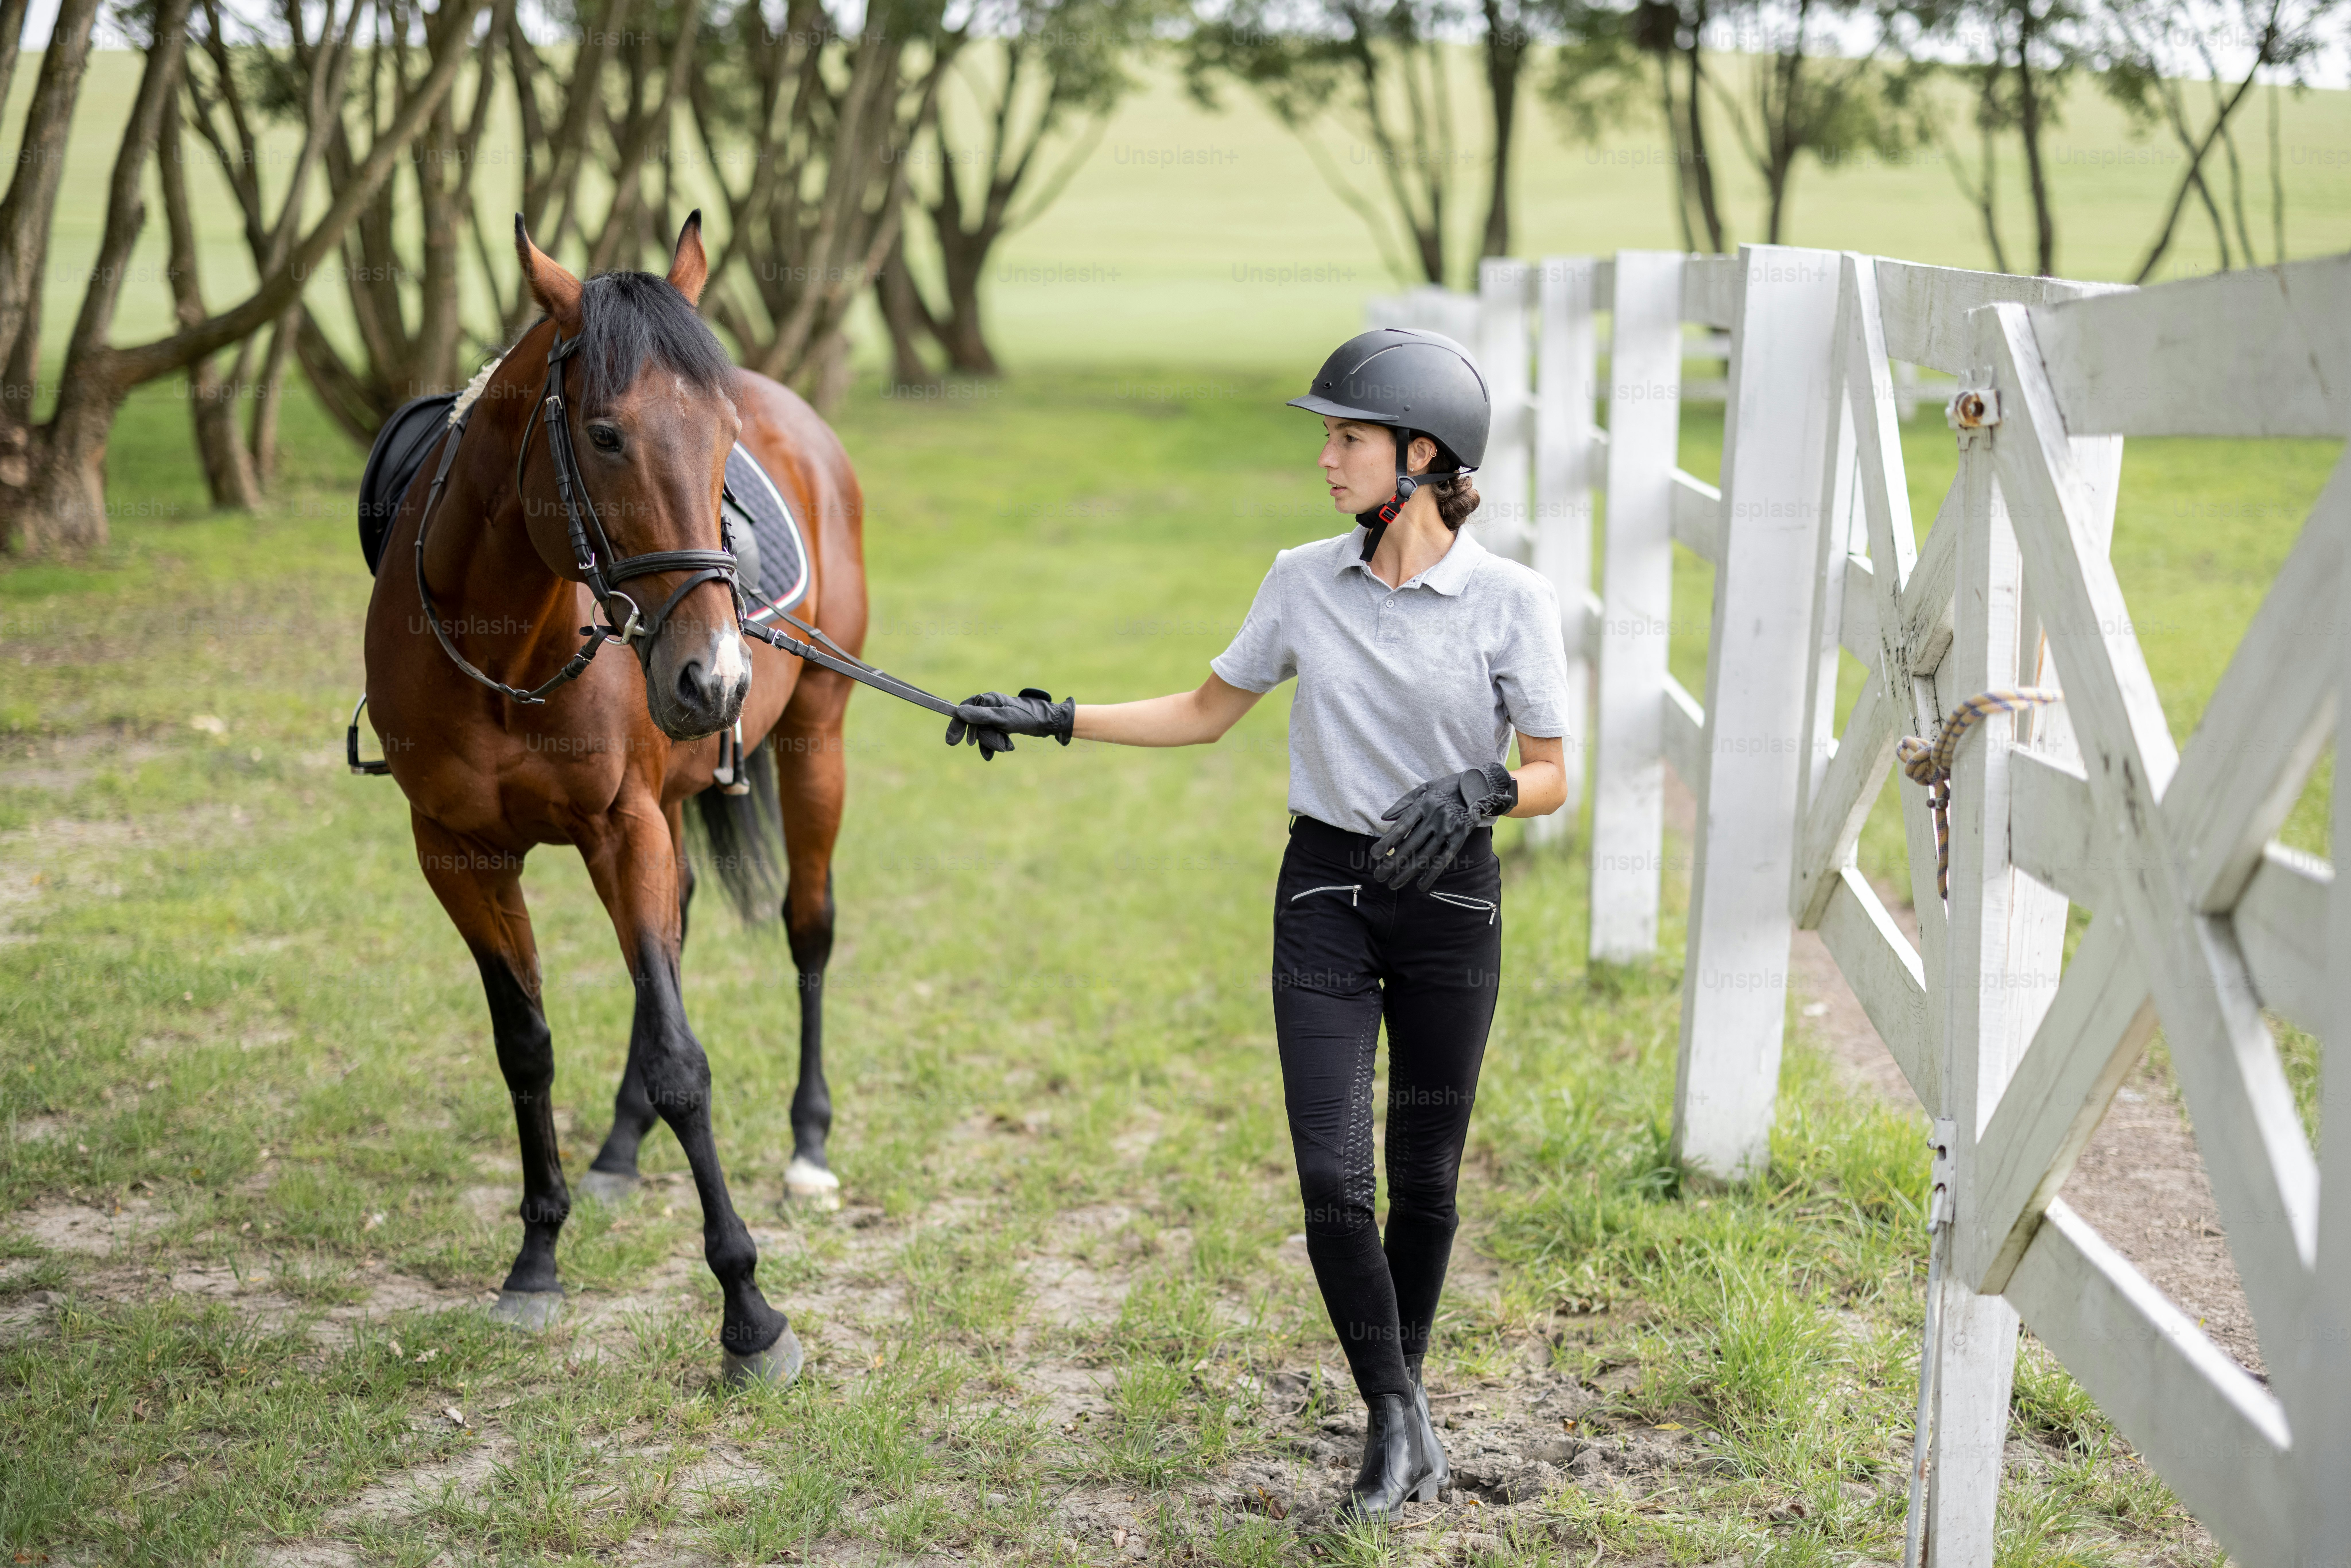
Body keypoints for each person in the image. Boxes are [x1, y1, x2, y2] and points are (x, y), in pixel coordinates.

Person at [946, 328, 1570, 1522]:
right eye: (1326, 436)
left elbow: (1548, 772)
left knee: (1424, 1180)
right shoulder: (1300, 579)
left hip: (1448, 904)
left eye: (1346, 437)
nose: (1326, 457)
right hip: (1325, 896)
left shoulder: (1508, 601)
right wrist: (1051, 713)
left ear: (1419, 455)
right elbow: (1201, 709)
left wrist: (1485, 788)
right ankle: (1394, 1420)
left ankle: (1402, 1397)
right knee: (1336, 1181)